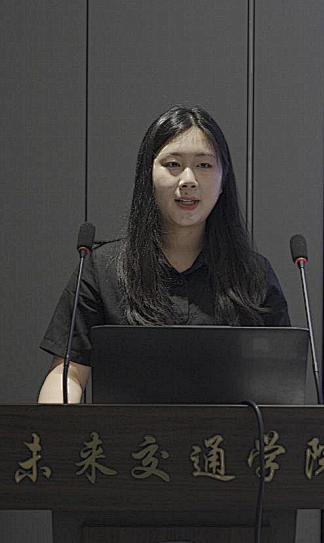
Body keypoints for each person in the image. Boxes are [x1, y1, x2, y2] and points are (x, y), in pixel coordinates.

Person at [37, 105, 290, 403]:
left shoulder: (253, 275)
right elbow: (68, 373)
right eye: (173, 164)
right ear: (148, 176)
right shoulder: (102, 269)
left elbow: (280, 386)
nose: (188, 180)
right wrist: (57, 425)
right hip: (129, 434)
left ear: (223, 180)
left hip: (226, 435)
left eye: (204, 165)